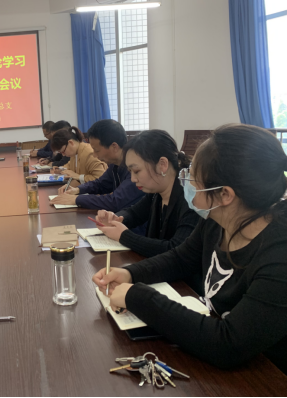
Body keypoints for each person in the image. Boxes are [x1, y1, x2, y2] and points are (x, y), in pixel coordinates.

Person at [93, 124, 287, 374]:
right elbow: (180, 258)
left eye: (193, 178)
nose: (186, 182)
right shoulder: (217, 220)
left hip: (266, 376)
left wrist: (138, 297)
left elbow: (228, 343)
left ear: (225, 194)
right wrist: (130, 273)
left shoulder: (279, 256)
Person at [93, 129, 200, 259]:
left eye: (137, 171)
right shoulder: (156, 192)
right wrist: (115, 219)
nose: (133, 179)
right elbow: (134, 213)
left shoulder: (191, 198)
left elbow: (176, 250)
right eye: (130, 172)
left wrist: (124, 236)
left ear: (162, 165)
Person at [49, 120, 145, 222]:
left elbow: (115, 201)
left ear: (114, 147)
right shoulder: (115, 164)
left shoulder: (135, 169)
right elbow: (100, 184)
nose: (94, 155)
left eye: (97, 150)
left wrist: (77, 199)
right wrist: (78, 190)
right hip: (119, 220)